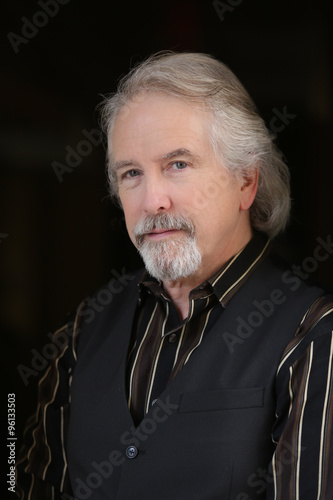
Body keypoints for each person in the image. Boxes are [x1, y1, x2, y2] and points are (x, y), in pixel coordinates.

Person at [16, 52, 333, 500]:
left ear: (246, 180)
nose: (152, 200)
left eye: (177, 165)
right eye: (131, 174)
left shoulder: (314, 334)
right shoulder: (84, 328)